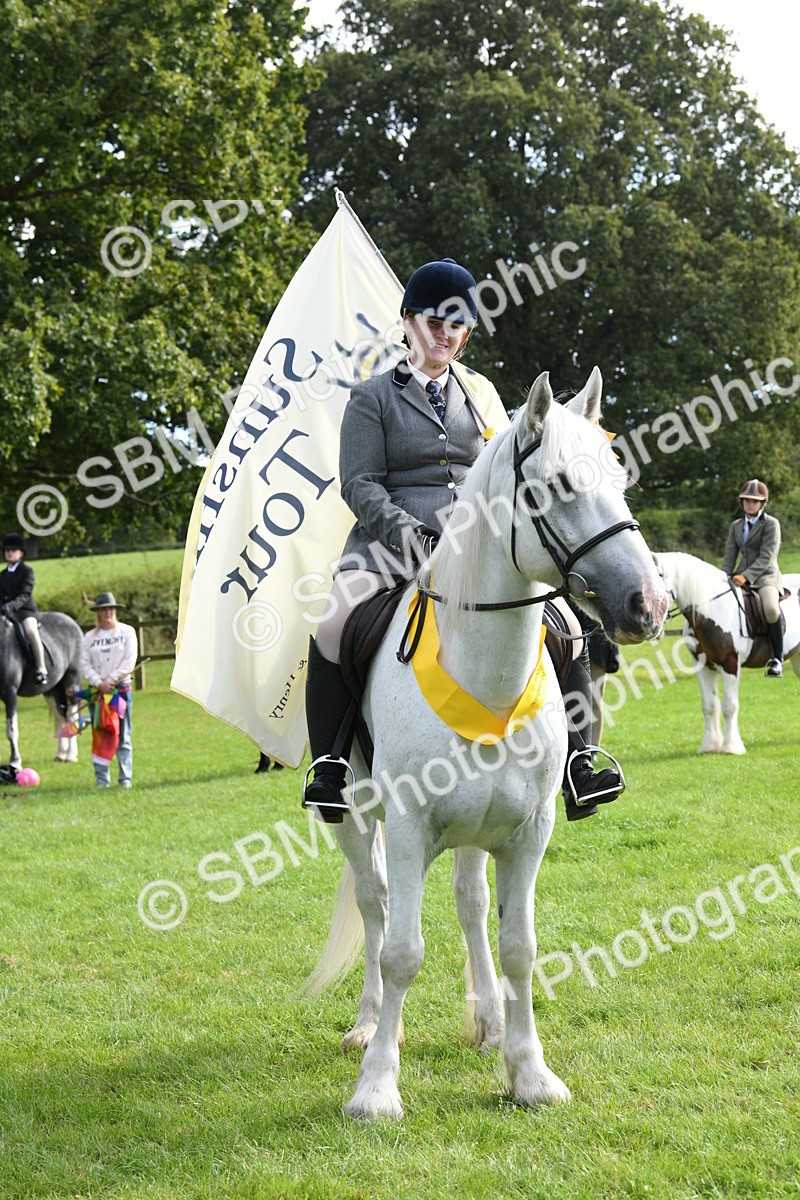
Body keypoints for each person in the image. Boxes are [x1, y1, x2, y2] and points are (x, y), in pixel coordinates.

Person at [302, 257, 623, 823]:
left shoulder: (482, 395)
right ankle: (331, 765)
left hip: (478, 548)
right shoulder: (372, 397)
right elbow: (359, 484)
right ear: (407, 322)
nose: (443, 333)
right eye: (432, 321)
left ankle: (580, 758)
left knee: (568, 625)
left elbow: (504, 468)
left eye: (455, 324)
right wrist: (410, 535)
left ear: (466, 333)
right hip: (388, 547)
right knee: (333, 624)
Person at [722, 479, 783, 676]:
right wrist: (723, 577)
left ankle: (777, 659)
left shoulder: (771, 524)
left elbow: (767, 556)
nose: (750, 504)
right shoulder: (736, 526)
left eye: (754, 501)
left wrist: (746, 577)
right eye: (746, 500)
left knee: (771, 609)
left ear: (762, 503)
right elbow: (730, 556)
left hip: (765, 576)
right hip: (739, 575)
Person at [81, 591, 137, 786]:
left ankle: (125, 778)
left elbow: (129, 661)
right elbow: (85, 664)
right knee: (100, 733)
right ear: (98, 612)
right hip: (97, 693)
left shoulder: (127, 632)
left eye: (111, 609)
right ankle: (101, 779)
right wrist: (99, 683)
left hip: (119, 691)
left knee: (123, 733)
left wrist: (111, 681)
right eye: (104, 609)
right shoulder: (89, 637)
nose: (108, 612)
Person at [0, 532, 48, 684]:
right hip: (7, 612)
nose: (9, 553)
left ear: (21, 553)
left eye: (13, 550)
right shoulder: (2, 574)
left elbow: (25, 594)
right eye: (7, 550)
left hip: (26, 611)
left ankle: (41, 668)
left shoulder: (27, 571)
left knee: (31, 631)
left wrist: (11, 605)